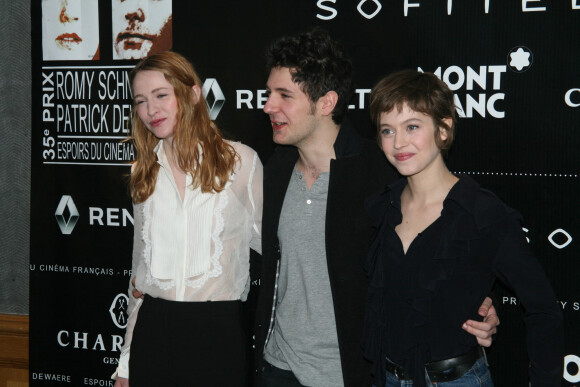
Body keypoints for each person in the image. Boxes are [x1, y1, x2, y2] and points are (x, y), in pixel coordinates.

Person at [254, 28, 500, 387]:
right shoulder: (273, 171)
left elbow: (441, 243)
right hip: (277, 368)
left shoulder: (382, 171)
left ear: (325, 103)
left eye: (284, 95)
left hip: (355, 371)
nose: (267, 106)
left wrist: (482, 301)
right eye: (268, 93)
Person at [363, 69, 564, 386]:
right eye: (387, 130)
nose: (398, 142)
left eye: (412, 127)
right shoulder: (381, 208)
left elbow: (543, 309)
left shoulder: (483, 213)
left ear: (443, 129)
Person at [112, 51, 262, 386]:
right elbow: (140, 275)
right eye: (140, 101)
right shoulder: (142, 173)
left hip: (218, 337)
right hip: (153, 334)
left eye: (162, 95)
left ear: (192, 94)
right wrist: (125, 362)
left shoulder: (241, 163)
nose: (151, 110)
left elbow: (277, 251)